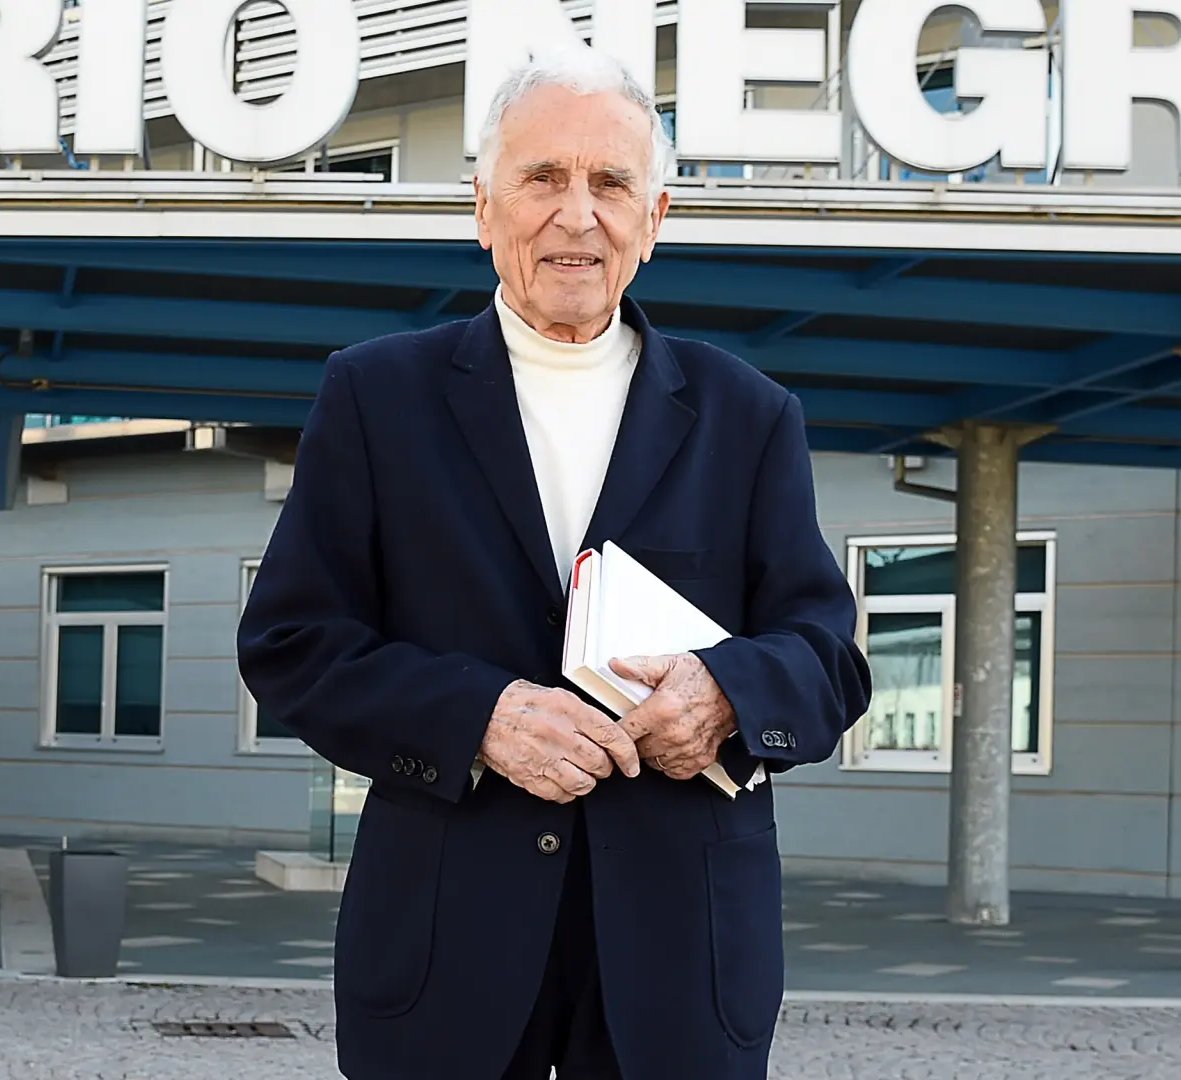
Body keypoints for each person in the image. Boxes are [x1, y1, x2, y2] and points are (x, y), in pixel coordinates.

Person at [236, 44, 872, 1080]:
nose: (577, 215)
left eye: (610, 183)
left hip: (681, 960)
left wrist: (725, 693)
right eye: (542, 178)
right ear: (483, 208)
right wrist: (479, 718)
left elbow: (828, 660)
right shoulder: (376, 398)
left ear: (653, 220)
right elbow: (293, 644)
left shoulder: (749, 416)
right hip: (447, 952)